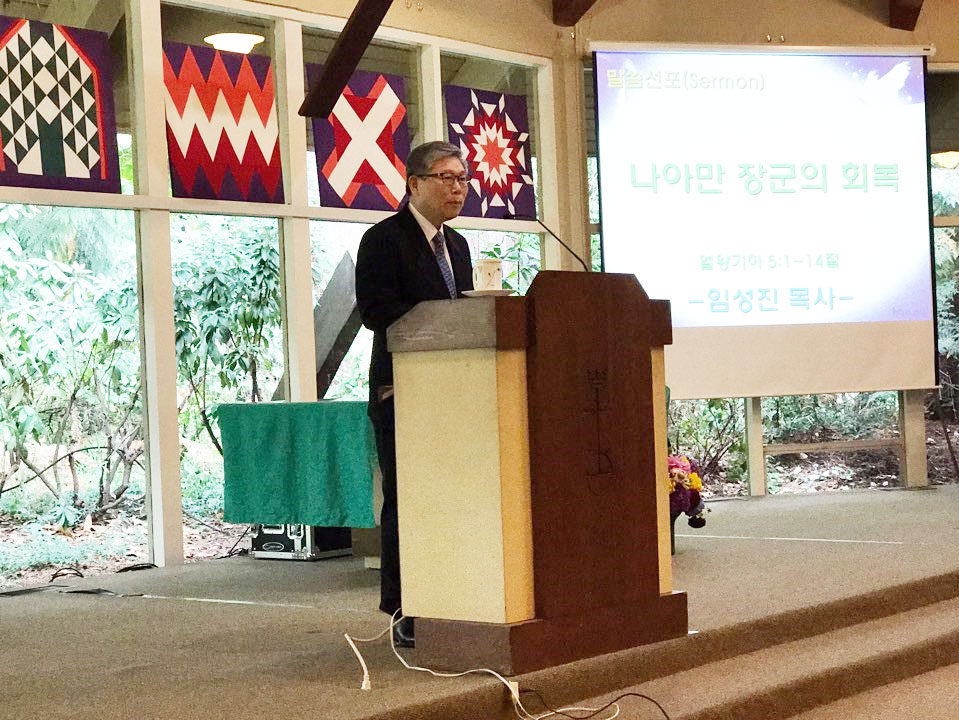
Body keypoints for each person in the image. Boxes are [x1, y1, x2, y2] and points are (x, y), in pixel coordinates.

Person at [354, 141, 473, 647]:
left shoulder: (459, 246)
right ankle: (405, 607)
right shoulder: (382, 240)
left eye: (463, 179)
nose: (458, 189)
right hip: (402, 392)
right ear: (414, 183)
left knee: (453, 498)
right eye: (447, 178)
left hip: (457, 394)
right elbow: (375, 312)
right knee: (408, 500)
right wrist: (442, 318)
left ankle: (456, 596)